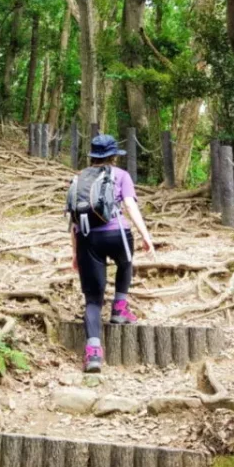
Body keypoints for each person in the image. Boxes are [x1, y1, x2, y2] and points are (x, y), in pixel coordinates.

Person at [66, 133, 155, 373]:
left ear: (93, 156)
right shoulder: (121, 175)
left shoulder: (78, 179)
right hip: (118, 234)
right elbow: (130, 205)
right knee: (125, 262)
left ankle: (93, 353)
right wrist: (145, 235)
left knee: (93, 301)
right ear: (114, 156)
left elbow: (74, 220)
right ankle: (119, 308)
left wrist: (75, 253)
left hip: (87, 238)